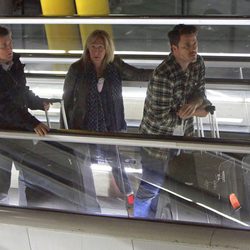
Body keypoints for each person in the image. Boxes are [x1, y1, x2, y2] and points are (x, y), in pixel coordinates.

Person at [61, 29, 152, 209]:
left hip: (112, 126)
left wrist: (162, 73)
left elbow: (137, 74)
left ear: (107, 49)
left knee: (117, 164)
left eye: (100, 47)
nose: (96, 52)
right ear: (87, 48)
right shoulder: (77, 69)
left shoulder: (114, 66)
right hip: (82, 128)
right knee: (84, 168)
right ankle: (90, 207)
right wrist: (64, 131)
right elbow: (66, 100)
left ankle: (130, 202)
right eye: (92, 47)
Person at [135, 24, 212, 218]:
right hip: (156, 142)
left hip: (181, 138)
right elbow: (159, 119)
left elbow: (200, 92)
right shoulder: (163, 75)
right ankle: (139, 222)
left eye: (195, 43)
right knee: (151, 185)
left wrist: (195, 102)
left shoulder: (198, 63)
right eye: (187, 45)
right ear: (174, 49)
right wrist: (196, 112)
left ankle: (159, 219)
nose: (193, 48)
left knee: (172, 184)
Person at [0, 25, 50, 203]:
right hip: (4, 136)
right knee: (1, 183)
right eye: (4, 46)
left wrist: (38, 103)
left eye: (10, 43)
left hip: (20, 132)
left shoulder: (15, 65)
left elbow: (21, 92)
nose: (9, 48)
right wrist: (33, 123)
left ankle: (27, 213)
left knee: (29, 173)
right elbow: (5, 107)